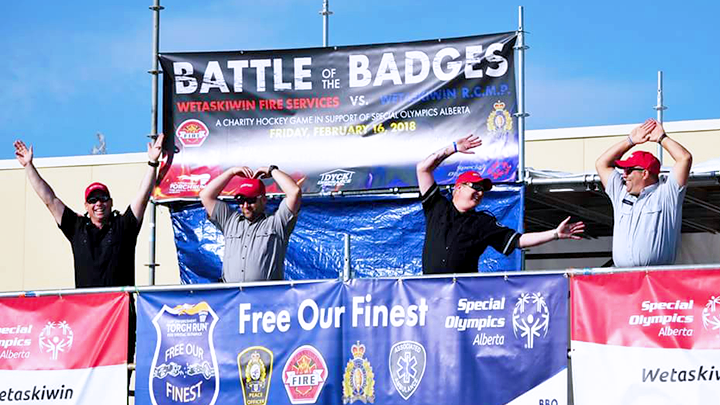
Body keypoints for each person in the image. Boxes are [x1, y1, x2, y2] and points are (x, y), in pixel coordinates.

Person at [14, 133, 165, 372]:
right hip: (87, 316)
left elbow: (142, 198)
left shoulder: (123, 227)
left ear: (110, 202)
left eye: (103, 198)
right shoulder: (76, 228)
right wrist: (29, 167)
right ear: (86, 206)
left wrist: (152, 163)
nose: (98, 203)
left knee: (119, 374)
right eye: (93, 199)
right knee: (88, 375)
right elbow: (49, 199)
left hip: (121, 316)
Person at [416, 134, 585, 274]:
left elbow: (519, 241)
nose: (480, 192)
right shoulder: (437, 207)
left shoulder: (482, 222)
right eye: (476, 186)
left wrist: (554, 233)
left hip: (461, 296)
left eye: (483, 189)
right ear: (458, 188)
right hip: (429, 294)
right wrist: (452, 148)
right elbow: (423, 168)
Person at [595, 118, 692, 267]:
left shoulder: (666, 194)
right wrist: (630, 141)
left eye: (628, 170)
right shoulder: (620, 193)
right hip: (623, 280)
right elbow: (602, 163)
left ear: (645, 173)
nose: (624, 175)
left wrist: (661, 138)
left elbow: (684, 158)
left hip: (656, 281)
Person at [199, 165, 301, 282]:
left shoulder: (277, 223)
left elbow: (294, 192)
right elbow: (206, 195)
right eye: (241, 200)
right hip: (232, 296)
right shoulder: (229, 220)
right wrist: (231, 172)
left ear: (263, 200)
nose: (246, 206)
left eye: (251, 200)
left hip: (266, 297)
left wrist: (272, 171)